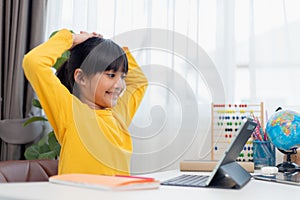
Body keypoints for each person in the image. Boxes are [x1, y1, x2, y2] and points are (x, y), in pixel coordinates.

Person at [22, 29, 148, 175]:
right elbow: (33, 62)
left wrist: (115, 51)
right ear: (81, 78)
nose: (119, 85)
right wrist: (72, 39)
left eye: (122, 77)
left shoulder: (118, 115)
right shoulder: (70, 111)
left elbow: (139, 82)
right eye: (111, 75)